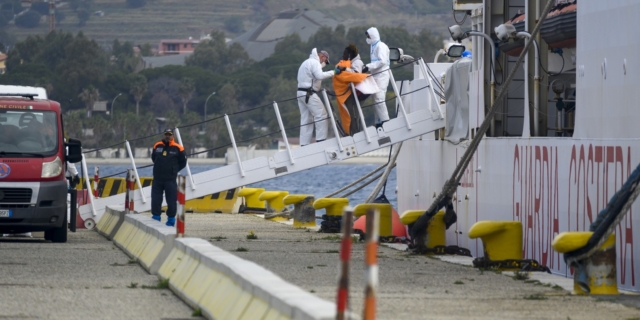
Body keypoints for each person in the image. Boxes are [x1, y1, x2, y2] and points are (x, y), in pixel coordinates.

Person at [297, 48, 340, 146]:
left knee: (306, 119)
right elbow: (319, 75)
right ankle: (321, 140)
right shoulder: (315, 62)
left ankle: (304, 144)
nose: (324, 63)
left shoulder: (306, 62)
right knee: (321, 114)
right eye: (325, 61)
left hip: (300, 93)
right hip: (309, 93)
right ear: (322, 57)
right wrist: (334, 72)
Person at [151, 129, 187, 226]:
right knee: (155, 200)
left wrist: (174, 170)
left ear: (173, 136)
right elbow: (153, 158)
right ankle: (156, 217)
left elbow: (183, 162)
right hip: (157, 179)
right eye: (166, 134)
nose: (167, 136)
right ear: (164, 135)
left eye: (169, 134)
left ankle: (171, 219)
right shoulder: (157, 145)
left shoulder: (178, 148)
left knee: (171, 201)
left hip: (170, 180)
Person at [362, 27, 391, 126]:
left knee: (379, 98)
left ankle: (385, 121)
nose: (367, 38)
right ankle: (378, 122)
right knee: (375, 100)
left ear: (373, 36)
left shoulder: (380, 46)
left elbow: (382, 61)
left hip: (382, 75)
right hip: (376, 76)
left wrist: (368, 67)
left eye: (369, 36)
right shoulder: (373, 46)